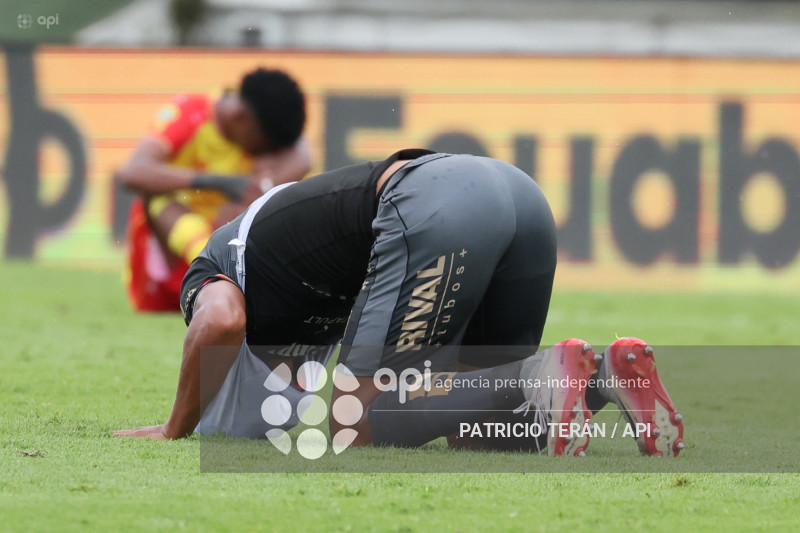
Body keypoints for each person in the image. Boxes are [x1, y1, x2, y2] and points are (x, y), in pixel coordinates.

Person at [114, 149, 684, 457]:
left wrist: (174, 428)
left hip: (435, 202)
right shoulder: (294, 296)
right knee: (485, 428)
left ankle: (546, 370)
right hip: (517, 195)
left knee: (351, 422)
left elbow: (219, 321)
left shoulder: (215, 266)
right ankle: (607, 372)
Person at [118, 67, 311, 312]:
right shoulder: (191, 112)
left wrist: (264, 188)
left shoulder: (257, 122)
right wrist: (218, 182)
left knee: (260, 198)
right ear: (240, 117)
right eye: (263, 144)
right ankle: (214, 267)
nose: (263, 153)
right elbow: (132, 173)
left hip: (222, 247)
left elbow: (304, 156)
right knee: (156, 198)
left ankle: (227, 274)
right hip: (165, 269)